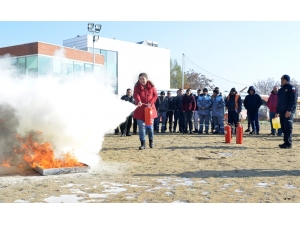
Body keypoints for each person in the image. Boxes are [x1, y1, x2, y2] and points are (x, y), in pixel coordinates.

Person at [133, 73, 158, 150]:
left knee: (150, 128)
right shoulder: (136, 87)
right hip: (140, 110)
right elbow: (136, 95)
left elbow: (155, 96)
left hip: (150, 110)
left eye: (143, 79)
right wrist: (139, 101)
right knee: (141, 127)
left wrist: (150, 103)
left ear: (146, 79)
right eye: (140, 79)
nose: (142, 81)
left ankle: (151, 141)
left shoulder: (152, 87)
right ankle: (143, 143)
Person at [275, 74, 298, 149]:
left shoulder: (291, 88)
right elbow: (279, 101)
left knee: (288, 126)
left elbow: (293, 100)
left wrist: (289, 110)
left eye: (283, 79)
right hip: (281, 111)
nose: (281, 81)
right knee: (283, 126)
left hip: (288, 111)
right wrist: (277, 111)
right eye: (281, 79)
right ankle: (285, 141)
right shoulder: (281, 90)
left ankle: (288, 143)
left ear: (287, 80)